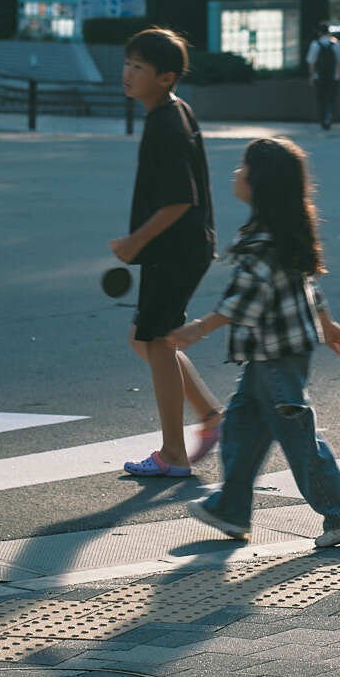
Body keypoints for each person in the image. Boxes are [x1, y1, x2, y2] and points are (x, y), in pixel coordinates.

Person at [171, 136, 340, 550]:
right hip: (271, 354)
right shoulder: (279, 233)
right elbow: (306, 286)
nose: (236, 174)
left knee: (299, 437)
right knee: (243, 431)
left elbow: (242, 301)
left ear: (260, 184)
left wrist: (198, 328)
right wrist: (327, 322)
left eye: (243, 169)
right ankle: (230, 507)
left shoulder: (263, 244)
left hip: (277, 357)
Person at [111, 27, 225, 480]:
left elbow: (181, 199)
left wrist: (135, 241)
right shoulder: (170, 112)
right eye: (128, 63)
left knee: (156, 341)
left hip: (174, 248)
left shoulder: (166, 123)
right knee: (147, 339)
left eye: (140, 67)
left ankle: (174, 453)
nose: (129, 73)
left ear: (166, 77)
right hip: (182, 247)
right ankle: (210, 416)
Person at [306, 22, 340, 131]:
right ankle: (329, 116)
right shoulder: (336, 44)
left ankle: (323, 119)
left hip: (319, 76)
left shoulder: (315, 44)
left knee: (321, 98)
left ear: (319, 32)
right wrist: (338, 75)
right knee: (331, 98)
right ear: (329, 31)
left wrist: (311, 76)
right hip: (333, 76)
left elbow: (311, 62)